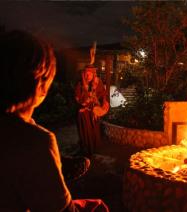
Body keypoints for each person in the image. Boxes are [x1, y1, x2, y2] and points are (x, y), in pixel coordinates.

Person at [0, 30, 109, 211]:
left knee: (92, 136)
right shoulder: (36, 141)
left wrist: (97, 103)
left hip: (92, 115)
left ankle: (68, 162)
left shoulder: (20, 127)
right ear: (41, 85)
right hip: (83, 114)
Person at [75, 65, 109, 157]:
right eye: (86, 74)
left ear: (93, 74)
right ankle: (85, 149)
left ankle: (94, 148)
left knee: (94, 130)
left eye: (89, 74)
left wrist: (103, 103)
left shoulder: (98, 83)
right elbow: (77, 97)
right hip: (84, 113)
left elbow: (103, 94)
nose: (87, 76)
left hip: (94, 113)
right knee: (85, 131)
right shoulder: (80, 84)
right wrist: (85, 100)